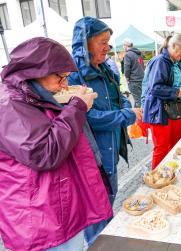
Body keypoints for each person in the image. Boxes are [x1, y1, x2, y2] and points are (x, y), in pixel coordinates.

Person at [0, 37, 112, 251]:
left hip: (57, 211)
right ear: (35, 72)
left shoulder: (31, 94)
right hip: (40, 222)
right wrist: (77, 107)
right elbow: (45, 152)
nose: (65, 85)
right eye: (61, 77)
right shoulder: (9, 105)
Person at [68, 17, 142, 245]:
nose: (107, 47)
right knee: (98, 222)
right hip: (92, 161)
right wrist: (126, 115)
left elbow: (121, 98)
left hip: (110, 154)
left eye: (108, 42)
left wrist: (126, 108)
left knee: (107, 208)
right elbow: (86, 119)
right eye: (102, 41)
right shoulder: (73, 76)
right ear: (84, 43)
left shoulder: (105, 69)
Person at [142, 34, 181, 169]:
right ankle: (157, 180)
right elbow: (155, 88)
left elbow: (174, 83)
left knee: (173, 146)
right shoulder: (161, 61)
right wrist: (176, 92)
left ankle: (170, 175)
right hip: (159, 112)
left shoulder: (173, 62)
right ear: (174, 45)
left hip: (171, 110)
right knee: (162, 148)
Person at [123, 38, 145, 108]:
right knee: (138, 99)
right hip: (141, 79)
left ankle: (140, 117)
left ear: (126, 45)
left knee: (138, 100)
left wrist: (127, 78)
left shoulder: (128, 54)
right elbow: (142, 66)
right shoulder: (139, 54)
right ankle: (137, 116)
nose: (123, 47)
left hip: (134, 81)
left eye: (123, 45)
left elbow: (126, 68)